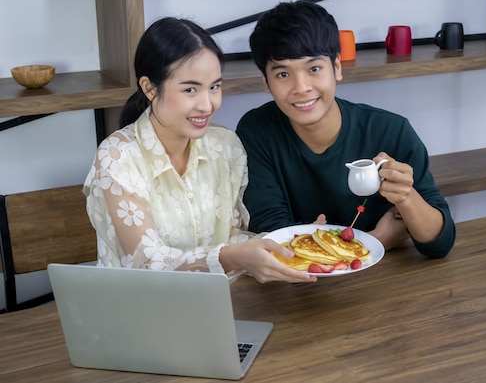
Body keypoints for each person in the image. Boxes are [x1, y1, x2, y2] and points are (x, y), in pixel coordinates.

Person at [83, 17, 316, 283]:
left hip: (221, 303)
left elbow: (232, 236)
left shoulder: (224, 145)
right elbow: (145, 261)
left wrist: (294, 244)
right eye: (190, 89)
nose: (208, 105)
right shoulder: (117, 157)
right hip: (137, 312)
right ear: (149, 88)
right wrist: (228, 257)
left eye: (215, 87)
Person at [236, 1, 455, 258]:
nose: (301, 87)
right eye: (283, 74)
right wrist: (375, 241)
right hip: (297, 287)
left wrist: (407, 198)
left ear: (337, 68)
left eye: (314, 69)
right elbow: (273, 234)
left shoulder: (391, 130)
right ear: (266, 82)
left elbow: (440, 243)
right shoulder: (257, 131)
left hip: (388, 281)